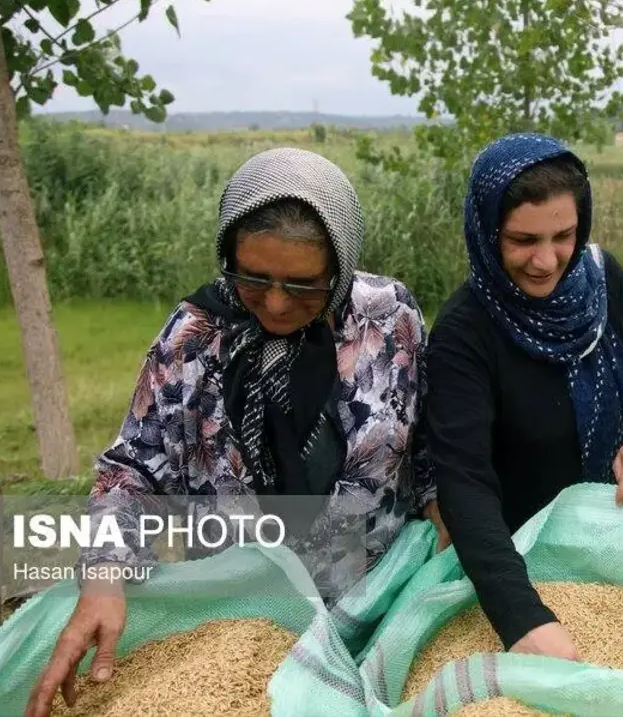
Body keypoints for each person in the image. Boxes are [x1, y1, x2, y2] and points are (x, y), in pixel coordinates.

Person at [26, 147, 447, 717]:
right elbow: (131, 472)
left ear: (341, 267)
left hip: (378, 609)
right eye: (254, 278)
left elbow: (425, 441)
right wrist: (106, 570)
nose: (275, 304)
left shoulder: (389, 319)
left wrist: (442, 508)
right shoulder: (192, 340)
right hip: (243, 625)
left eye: (303, 285)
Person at [425, 133, 623, 661]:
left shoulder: (602, 280)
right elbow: (465, 483)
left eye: (564, 235)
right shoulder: (464, 333)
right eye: (522, 240)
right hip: (510, 562)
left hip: (607, 552)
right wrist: (523, 619)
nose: (546, 259)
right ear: (487, 233)